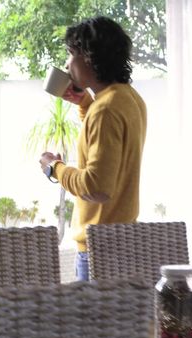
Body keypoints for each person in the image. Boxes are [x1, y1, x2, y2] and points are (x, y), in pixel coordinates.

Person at [39, 16, 147, 282]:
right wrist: (85, 103)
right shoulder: (129, 98)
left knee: (92, 326)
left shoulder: (106, 109)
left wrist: (55, 168)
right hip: (122, 240)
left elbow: (96, 188)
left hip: (98, 248)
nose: (66, 64)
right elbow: (111, 147)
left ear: (89, 57)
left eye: (70, 54)